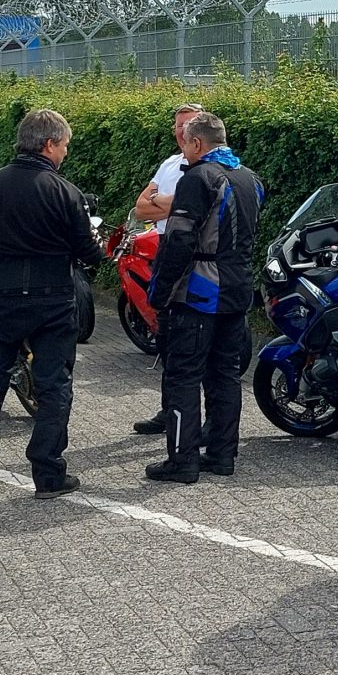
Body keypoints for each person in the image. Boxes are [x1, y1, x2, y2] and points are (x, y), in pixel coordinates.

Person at [0, 109, 104, 498]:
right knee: (55, 386)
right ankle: (48, 473)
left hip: (0, 294)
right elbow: (87, 252)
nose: (65, 154)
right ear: (50, 144)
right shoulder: (64, 191)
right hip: (52, 297)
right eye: (65, 146)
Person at [143, 112, 264, 484]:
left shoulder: (197, 178)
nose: (184, 150)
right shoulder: (250, 178)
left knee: (183, 376)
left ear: (197, 144)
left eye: (186, 142)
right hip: (238, 288)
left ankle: (182, 462)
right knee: (225, 376)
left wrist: (159, 292)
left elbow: (179, 239)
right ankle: (222, 455)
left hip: (199, 292)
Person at [127, 102, 204, 437]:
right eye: (177, 125)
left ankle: (201, 423)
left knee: (198, 343)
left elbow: (194, 206)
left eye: (187, 125)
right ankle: (168, 411)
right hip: (163, 252)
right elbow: (140, 208)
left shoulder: (211, 167)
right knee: (166, 335)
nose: (180, 131)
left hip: (196, 261)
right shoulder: (170, 164)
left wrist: (164, 203)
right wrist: (170, 205)